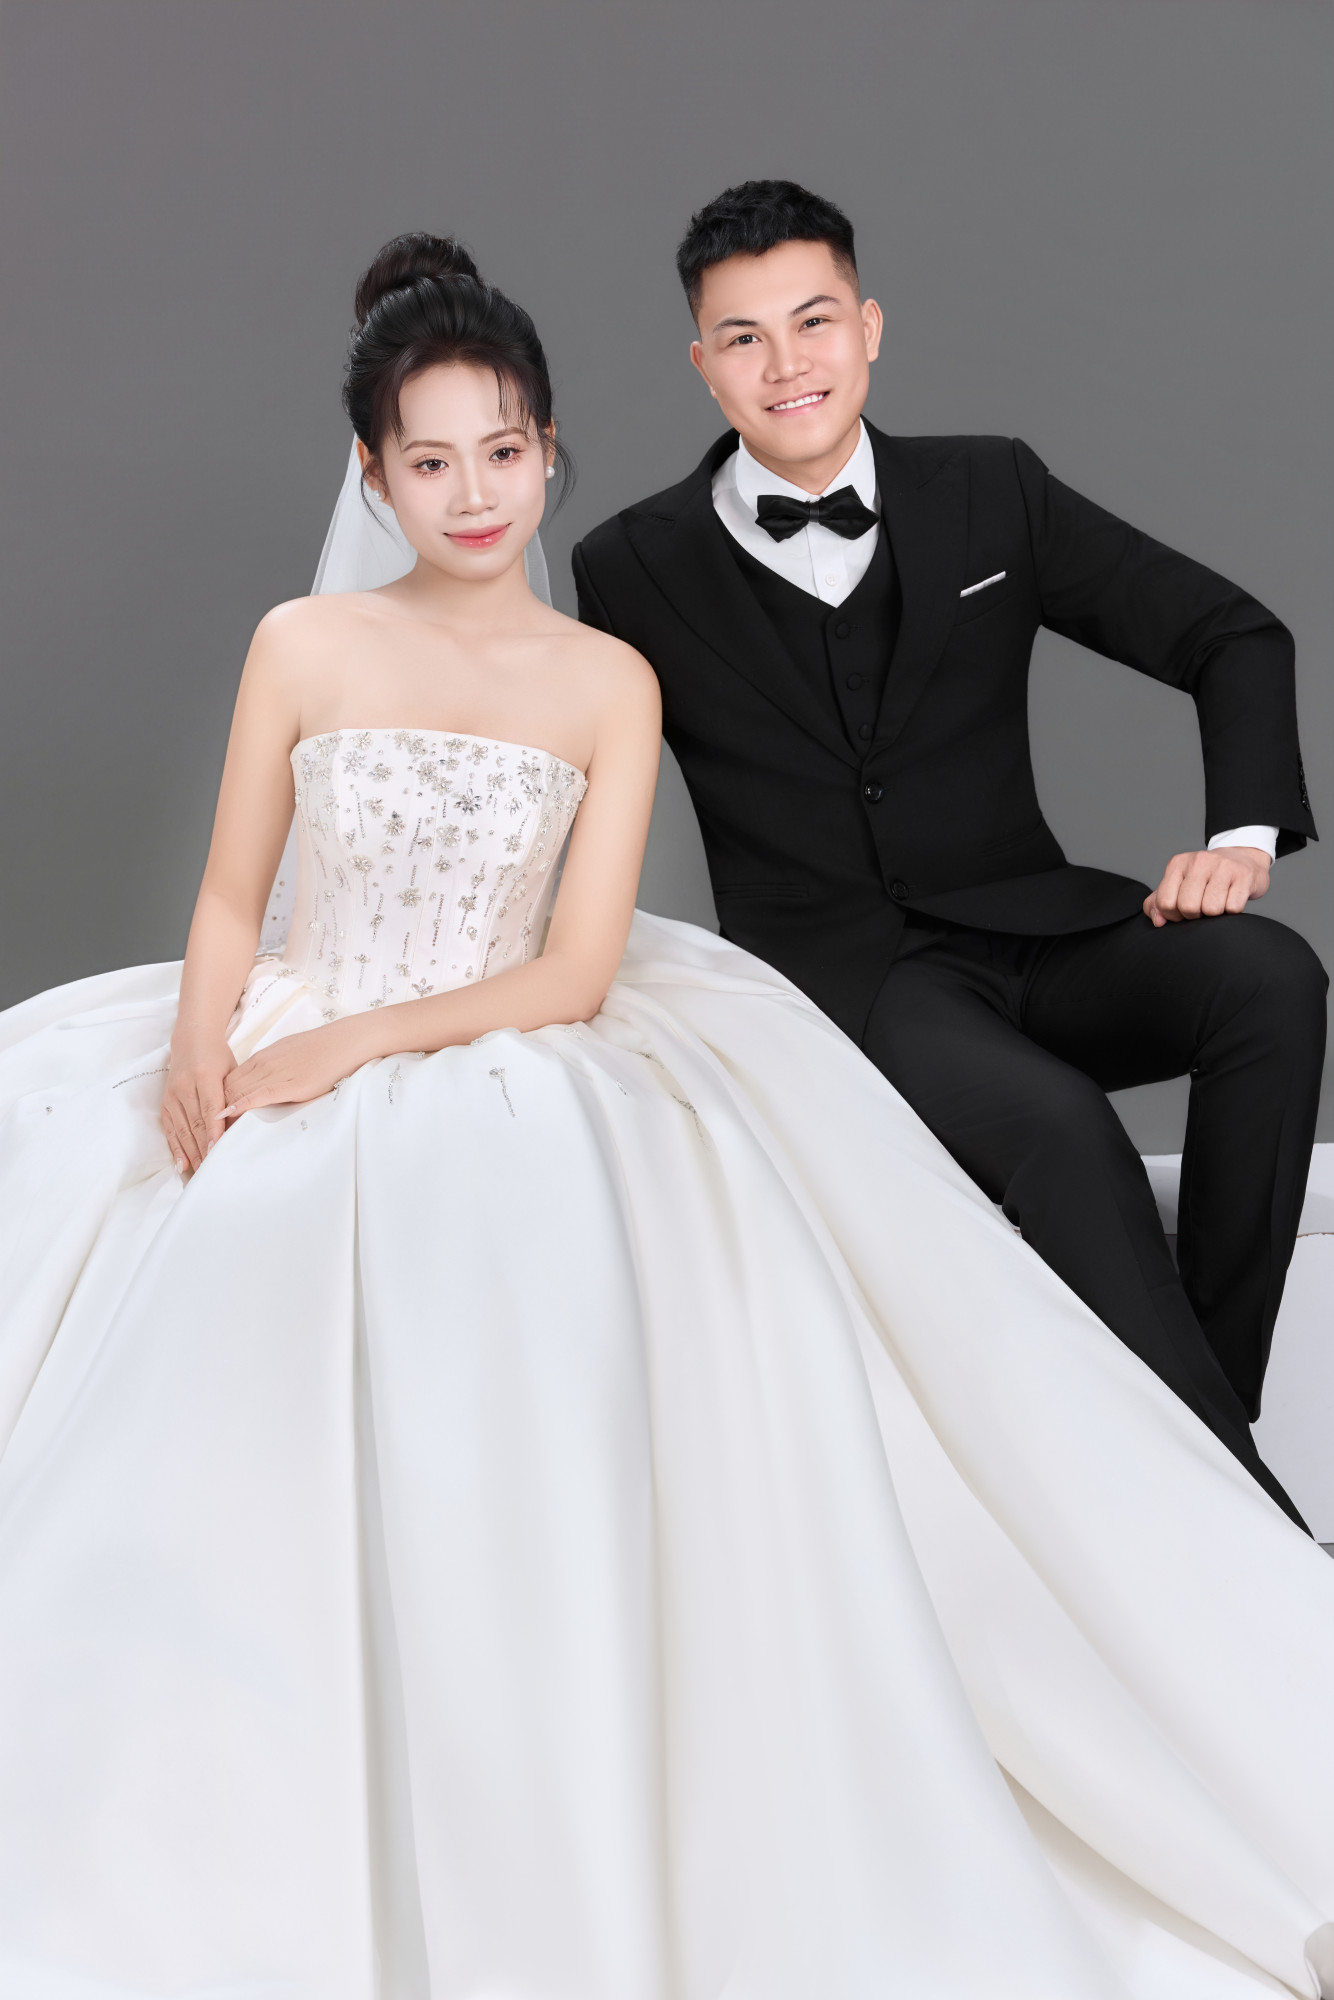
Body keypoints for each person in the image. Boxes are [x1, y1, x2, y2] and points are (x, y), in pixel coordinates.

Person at [1, 232, 1332, 2000]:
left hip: (593, 1016)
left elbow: (572, 964)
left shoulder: (634, 656)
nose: (472, 493)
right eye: (427, 461)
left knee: (1240, 1007)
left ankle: (1205, 1491)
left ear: (547, 450)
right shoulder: (351, 632)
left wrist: (359, 1047)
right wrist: (207, 1041)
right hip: (378, 1009)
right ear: (373, 475)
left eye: (501, 451)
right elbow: (238, 891)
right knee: (186, 1269)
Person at [573, 178, 1327, 1527]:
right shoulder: (630, 565)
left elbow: (1230, 634)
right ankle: (1255, 1522)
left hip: (1037, 926)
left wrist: (1238, 838)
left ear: (868, 328)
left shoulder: (990, 489)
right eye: (743, 337)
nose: (785, 364)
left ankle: (1208, 1435)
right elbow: (560, 765)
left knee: (1271, 981)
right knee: (1059, 1128)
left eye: (813, 322)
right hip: (847, 988)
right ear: (702, 365)